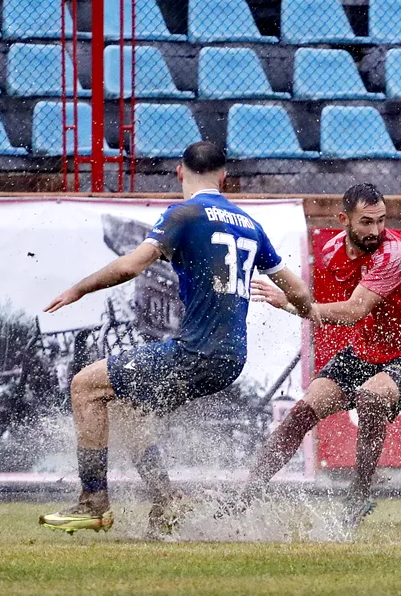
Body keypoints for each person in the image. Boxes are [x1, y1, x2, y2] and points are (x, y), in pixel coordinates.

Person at [39, 142, 317, 535]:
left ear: (179, 172)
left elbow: (131, 266)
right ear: (224, 177)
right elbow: (301, 292)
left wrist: (79, 289)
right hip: (231, 359)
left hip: (195, 351)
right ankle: (166, 500)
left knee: (85, 386)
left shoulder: (183, 214)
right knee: (128, 411)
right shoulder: (250, 225)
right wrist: (296, 308)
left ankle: (93, 503)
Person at [224, 183, 401, 528]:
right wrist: (297, 304)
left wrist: (293, 305)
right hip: (366, 352)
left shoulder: (395, 253)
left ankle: (358, 496)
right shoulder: (331, 253)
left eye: (381, 221)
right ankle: (243, 497)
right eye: (366, 222)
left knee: (371, 396)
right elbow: (332, 308)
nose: (376, 231)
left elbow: (353, 311)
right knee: (301, 414)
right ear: (344, 220)